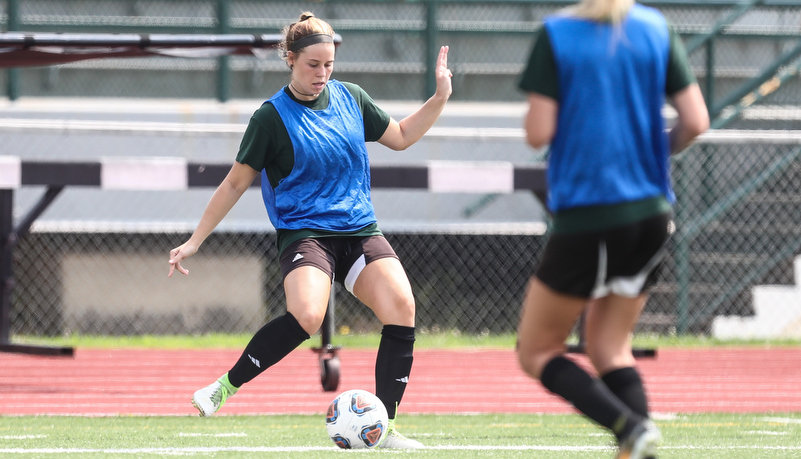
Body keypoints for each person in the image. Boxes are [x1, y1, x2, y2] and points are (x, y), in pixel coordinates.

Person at [168, 11, 452, 449]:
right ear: (289, 59)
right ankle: (224, 387)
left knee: (402, 306)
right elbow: (234, 183)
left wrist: (439, 97)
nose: (322, 74)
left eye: (329, 65)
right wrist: (194, 241)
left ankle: (385, 427)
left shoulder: (351, 98)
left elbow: (400, 136)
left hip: (359, 230)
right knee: (307, 315)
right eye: (312, 65)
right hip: (305, 234)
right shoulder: (270, 118)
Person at [516, 1, 708, 458]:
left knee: (537, 351)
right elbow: (696, 121)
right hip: (654, 214)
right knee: (608, 347)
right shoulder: (655, 27)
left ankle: (631, 427)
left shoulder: (559, 33)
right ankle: (636, 445)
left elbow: (538, 132)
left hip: (593, 212)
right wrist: (653, 151)